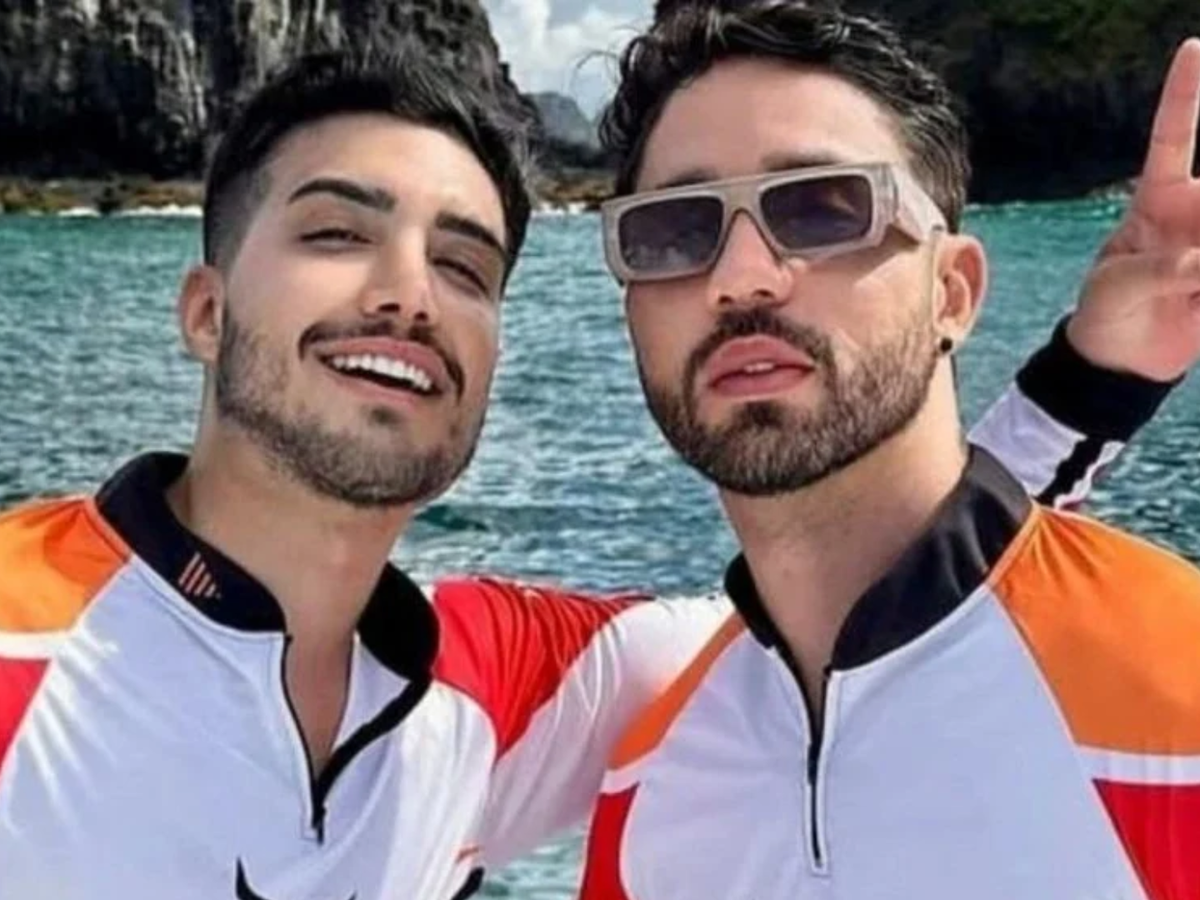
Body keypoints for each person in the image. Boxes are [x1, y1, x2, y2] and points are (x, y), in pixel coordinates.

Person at [0, 31, 1187, 900]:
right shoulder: (20, 640)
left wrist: (1094, 378)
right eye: (335, 233)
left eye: (464, 267)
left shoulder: (520, 694)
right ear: (205, 311)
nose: (408, 294)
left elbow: (897, 597)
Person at [578, 3, 1200, 899]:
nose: (741, 278)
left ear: (953, 293)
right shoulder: (649, 785)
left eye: (821, 210)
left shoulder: (1176, 706)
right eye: (674, 231)